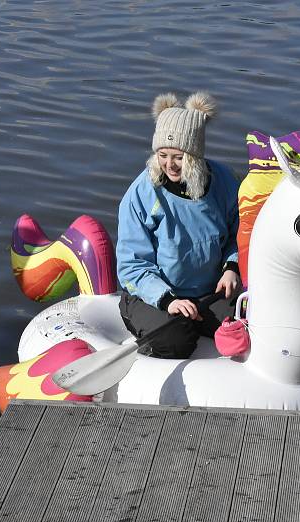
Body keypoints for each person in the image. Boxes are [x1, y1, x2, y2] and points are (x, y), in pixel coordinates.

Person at [116, 92, 241, 359]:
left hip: (210, 293)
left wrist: (232, 266)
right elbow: (131, 264)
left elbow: (239, 232)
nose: (169, 165)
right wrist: (168, 300)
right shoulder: (141, 194)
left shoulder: (225, 181)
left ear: (195, 155)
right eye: (163, 155)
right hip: (154, 296)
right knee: (175, 341)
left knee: (249, 326)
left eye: (179, 157)